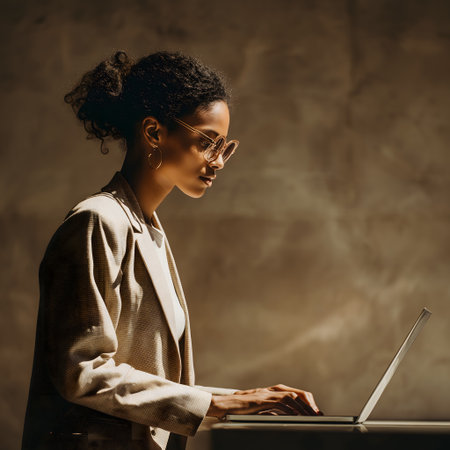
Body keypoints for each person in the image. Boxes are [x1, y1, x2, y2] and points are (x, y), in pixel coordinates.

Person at [22, 50, 320, 450]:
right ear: (154, 132)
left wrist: (245, 399)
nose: (218, 162)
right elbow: (82, 372)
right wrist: (218, 402)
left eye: (223, 147)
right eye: (207, 143)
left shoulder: (150, 232)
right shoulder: (97, 221)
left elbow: (151, 378)